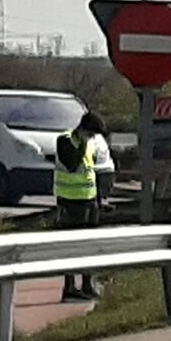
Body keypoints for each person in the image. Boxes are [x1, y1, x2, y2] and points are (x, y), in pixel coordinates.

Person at [55, 112, 108, 302]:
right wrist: (83, 142)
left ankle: (87, 284)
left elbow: (91, 170)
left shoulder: (91, 142)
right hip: (70, 200)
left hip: (89, 199)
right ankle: (69, 286)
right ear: (83, 129)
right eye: (91, 133)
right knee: (71, 247)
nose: (92, 137)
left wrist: (99, 199)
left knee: (89, 246)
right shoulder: (65, 140)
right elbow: (72, 164)